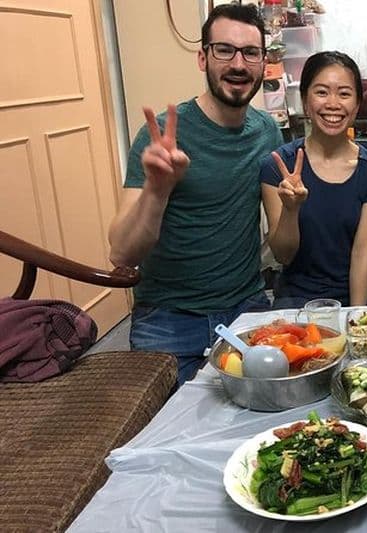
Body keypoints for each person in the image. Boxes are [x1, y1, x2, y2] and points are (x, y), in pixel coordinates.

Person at [108, 4, 283, 386]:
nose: (238, 64)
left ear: (262, 62)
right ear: (203, 57)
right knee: (164, 439)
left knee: (260, 428)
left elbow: (282, 241)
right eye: (224, 50)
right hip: (168, 319)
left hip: (246, 309)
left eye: (250, 53)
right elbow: (122, 253)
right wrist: (158, 188)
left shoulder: (267, 131)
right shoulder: (160, 139)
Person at [260, 51, 367, 308]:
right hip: (294, 301)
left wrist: (354, 319)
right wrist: (291, 209)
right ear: (305, 101)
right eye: (321, 92)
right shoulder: (279, 166)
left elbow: (362, 254)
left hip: (351, 297)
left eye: (344, 94)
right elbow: (283, 256)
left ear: (357, 104)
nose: (333, 103)